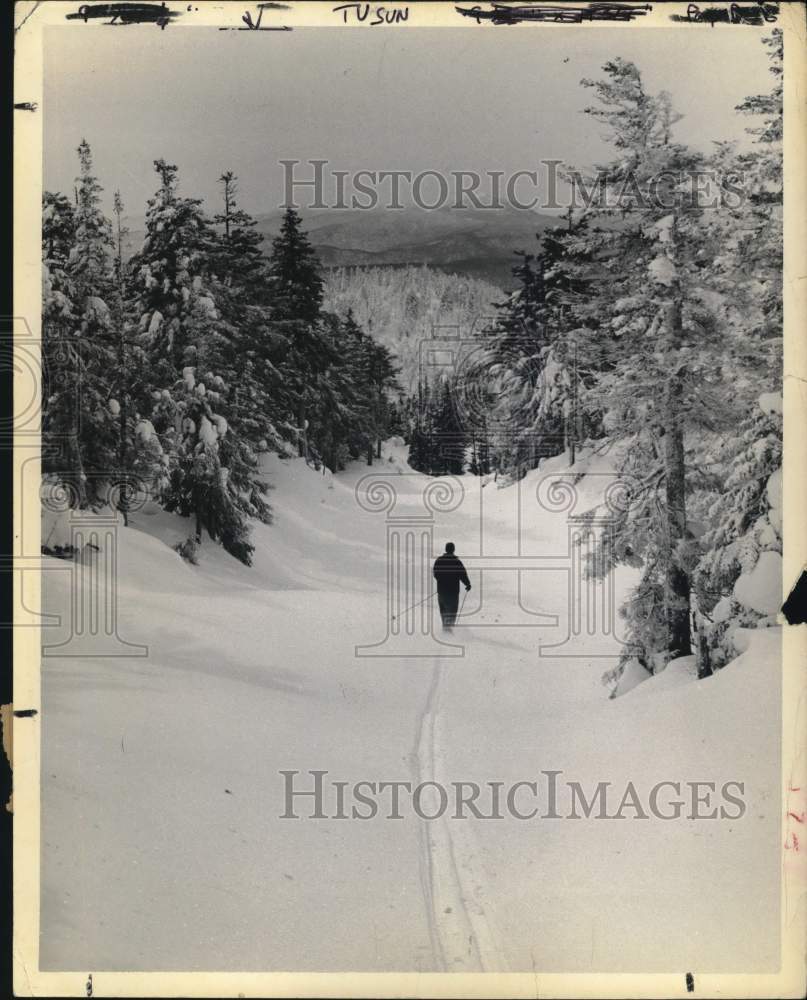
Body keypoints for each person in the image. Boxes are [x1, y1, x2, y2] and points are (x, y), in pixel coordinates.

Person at [433, 542, 471, 631]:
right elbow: (463, 574)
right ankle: (449, 633)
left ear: (446, 549)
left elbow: (436, 574)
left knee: (444, 613)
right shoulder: (457, 562)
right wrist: (467, 584)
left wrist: (442, 581)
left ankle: (445, 632)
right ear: (453, 550)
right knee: (452, 613)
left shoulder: (439, 560)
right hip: (453, 593)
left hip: (441, 592)